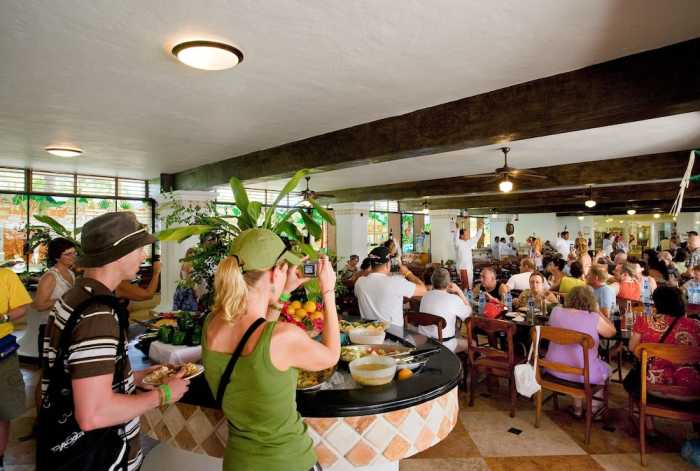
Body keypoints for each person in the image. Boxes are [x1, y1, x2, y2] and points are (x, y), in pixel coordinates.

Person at [37, 212, 190, 470]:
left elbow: (74, 373)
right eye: (139, 249)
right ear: (119, 254)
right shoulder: (98, 314)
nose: (143, 256)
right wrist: (163, 394)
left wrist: (134, 378)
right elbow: (94, 413)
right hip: (100, 457)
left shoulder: (76, 296)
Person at [201, 229, 339, 471]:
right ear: (277, 272)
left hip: (238, 463)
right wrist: (328, 291)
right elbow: (331, 355)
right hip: (287, 462)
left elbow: (257, 332)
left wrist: (282, 293)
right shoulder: (283, 338)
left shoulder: (212, 324)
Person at [545, 286, 616, 417]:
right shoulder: (594, 318)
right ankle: (594, 409)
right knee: (606, 369)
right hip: (582, 374)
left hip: (553, 368)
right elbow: (611, 332)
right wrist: (598, 311)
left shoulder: (556, 312)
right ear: (591, 301)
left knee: (575, 359)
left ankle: (577, 408)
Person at [628, 286, 700, 401]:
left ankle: (647, 412)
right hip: (692, 390)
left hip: (653, 386)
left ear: (657, 303)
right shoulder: (695, 325)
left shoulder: (644, 321)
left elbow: (632, 348)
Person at [19, 237, 76, 359]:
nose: (73, 257)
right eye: (68, 254)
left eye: (74, 253)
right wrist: (64, 299)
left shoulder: (71, 273)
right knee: (49, 367)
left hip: (65, 325)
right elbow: (38, 305)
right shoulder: (50, 276)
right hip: (50, 328)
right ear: (57, 257)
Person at [0, 267, 32, 469]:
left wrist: (2, 318)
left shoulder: (6, 276)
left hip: (2, 352)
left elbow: (22, 307)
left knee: (3, 409)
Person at [354, 246, 426, 327]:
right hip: (392, 333)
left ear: (371, 264)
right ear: (388, 264)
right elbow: (423, 290)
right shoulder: (396, 282)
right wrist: (407, 272)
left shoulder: (359, 282)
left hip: (367, 331)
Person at [418, 268, 471, 352]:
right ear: (448, 283)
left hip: (424, 342)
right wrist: (459, 291)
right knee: (472, 343)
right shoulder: (453, 299)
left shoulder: (425, 296)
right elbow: (469, 315)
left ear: (432, 281)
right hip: (444, 346)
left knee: (457, 332)